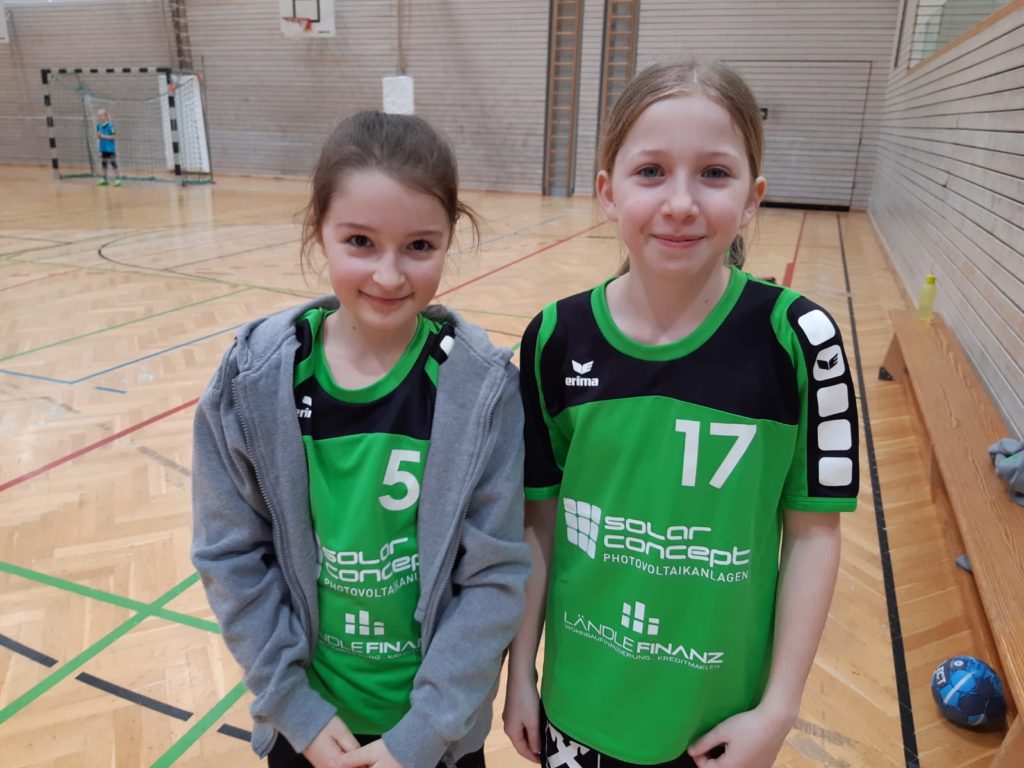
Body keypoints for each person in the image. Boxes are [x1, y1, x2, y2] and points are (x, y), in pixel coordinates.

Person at [503, 61, 859, 768]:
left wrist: (779, 710)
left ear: (753, 199)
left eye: (714, 174)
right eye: (651, 172)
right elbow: (536, 523)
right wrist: (520, 676)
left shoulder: (799, 340)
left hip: (721, 725)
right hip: (579, 709)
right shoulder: (555, 339)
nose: (680, 203)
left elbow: (814, 535)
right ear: (608, 192)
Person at [191, 111, 530, 768]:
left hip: (435, 738)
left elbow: (494, 577)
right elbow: (229, 556)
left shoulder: (483, 391)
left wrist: (424, 732)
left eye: (419, 246)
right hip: (312, 728)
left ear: (450, 238)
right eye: (360, 242)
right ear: (318, 230)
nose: (389, 275)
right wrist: (294, 707)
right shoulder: (253, 381)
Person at [95, 109, 122, 187]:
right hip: (103, 148)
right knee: (104, 164)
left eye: (101, 115)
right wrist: (98, 136)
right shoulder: (98, 126)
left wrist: (104, 136)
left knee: (113, 163)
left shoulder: (110, 126)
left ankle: (118, 179)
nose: (99, 117)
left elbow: (114, 136)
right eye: (98, 116)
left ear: (105, 116)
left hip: (110, 149)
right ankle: (104, 179)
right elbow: (98, 136)